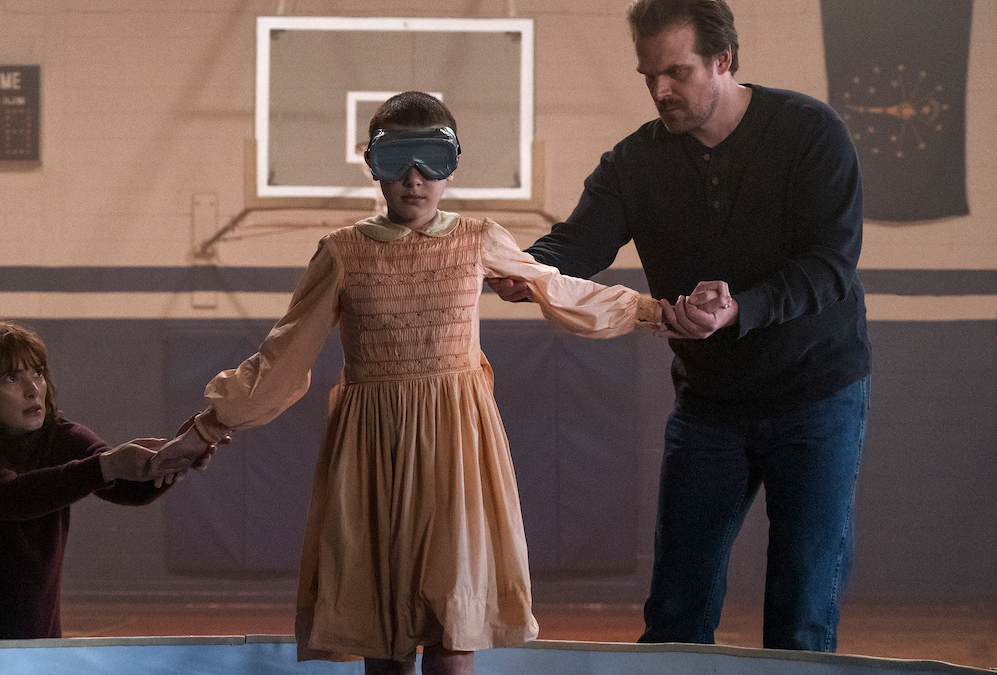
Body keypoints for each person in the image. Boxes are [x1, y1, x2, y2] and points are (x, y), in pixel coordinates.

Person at [150, 91, 676, 675]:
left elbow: (560, 288)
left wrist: (660, 312)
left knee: (454, 639)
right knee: (386, 643)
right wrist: (206, 428)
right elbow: (284, 355)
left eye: (432, 160)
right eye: (396, 160)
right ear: (372, 164)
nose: (415, 179)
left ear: (452, 165)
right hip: (372, 454)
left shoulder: (479, 237)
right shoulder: (342, 252)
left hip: (457, 451)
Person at [487, 0, 871, 653]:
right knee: (675, 606)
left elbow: (830, 266)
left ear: (724, 60)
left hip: (818, 397)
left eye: (676, 72)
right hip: (708, 404)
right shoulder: (635, 162)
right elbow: (575, 246)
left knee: (803, 609)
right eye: (647, 75)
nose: (659, 90)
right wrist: (520, 271)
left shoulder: (810, 132)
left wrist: (739, 306)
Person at [0, 321, 175, 640]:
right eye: (12, 378)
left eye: (37, 373)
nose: (33, 388)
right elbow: (9, 496)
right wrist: (106, 466)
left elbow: (131, 488)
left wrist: (181, 454)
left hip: (34, 632)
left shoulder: (59, 435)